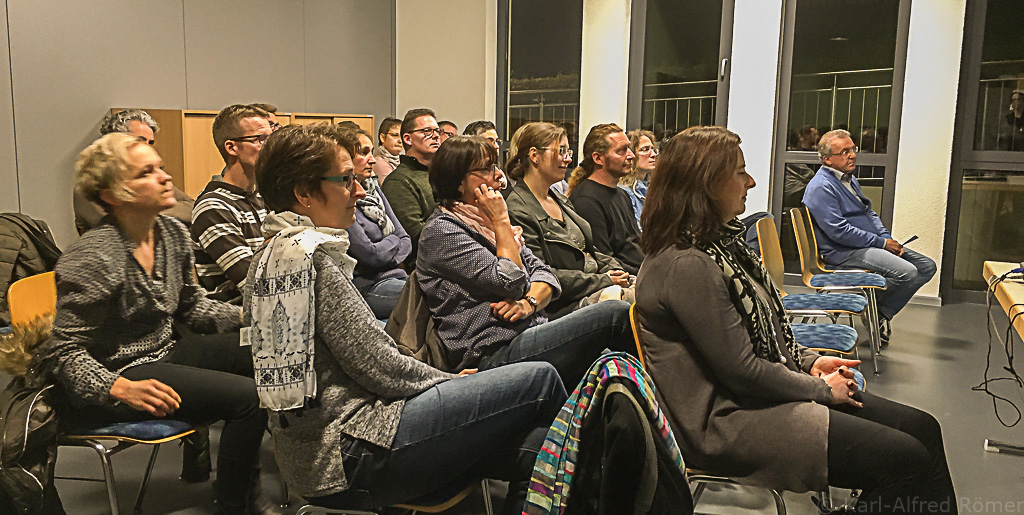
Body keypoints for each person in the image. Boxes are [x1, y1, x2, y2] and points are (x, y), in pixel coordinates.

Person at [244, 123, 566, 515]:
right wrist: (450, 381)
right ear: (304, 193)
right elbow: (381, 369)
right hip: (350, 449)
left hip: (323, 449)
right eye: (346, 180)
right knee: (541, 378)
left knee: (539, 447)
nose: (360, 191)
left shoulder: (275, 255)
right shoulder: (313, 263)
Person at [635, 125, 956, 514]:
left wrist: (810, 361)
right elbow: (743, 371)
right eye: (739, 172)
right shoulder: (685, 264)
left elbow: (765, 331)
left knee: (923, 429)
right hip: (728, 420)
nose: (750, 181)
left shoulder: (719, 246)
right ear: (705, 184)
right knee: (905, 460)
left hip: (757, 397)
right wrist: (821, 390)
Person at [43, 133, 267, 514]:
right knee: (248, 399)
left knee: (269, 353)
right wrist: (118, 387)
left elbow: (192, 309)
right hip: (118, 374)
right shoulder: (93, 257)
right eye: (146, 172)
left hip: (165, 351)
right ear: (113, 195)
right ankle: (234, 505)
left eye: (160, 166)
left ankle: (245, 490)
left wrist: (256, 320)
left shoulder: (172, 233)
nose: (165, 177)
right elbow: (62, 353)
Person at [416, 135, 633, 385]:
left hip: (531, 326)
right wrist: (501, 223)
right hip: (490, 350)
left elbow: (546, 276)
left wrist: (528, 304)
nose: (500, 176)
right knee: (616, 313)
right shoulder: (444, 231)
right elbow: (511, 282)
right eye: (487, 169)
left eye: (496, 166)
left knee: (613, 364)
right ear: (457, 182)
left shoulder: (485, 222)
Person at [802, 129, 936, 339]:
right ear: (827, 160)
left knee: (926, 266)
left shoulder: (848, 179)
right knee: (907, 272)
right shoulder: (821, 187)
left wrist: (886, 237)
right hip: (843, 251)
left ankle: (878, 311)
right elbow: (839, 231)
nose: (852, 155)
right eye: (844, 152)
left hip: (867, 244)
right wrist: (881, 243)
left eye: (852, 149)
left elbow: (868, 211)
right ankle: (874, 308)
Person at [504, 122, 634, 319]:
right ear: (534, 156)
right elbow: (541, 274)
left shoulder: (558, 199)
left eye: (568, 152)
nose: (566, 159)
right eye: (560, 151)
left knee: (652, 290)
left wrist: (616, 270)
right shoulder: (518, 210)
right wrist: (604, 280)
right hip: (562, 306)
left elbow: (590, 250)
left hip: (593, 287)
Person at [191, 104, 272, 302]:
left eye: (272, 138)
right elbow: (254, 285)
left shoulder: (264, 195)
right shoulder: (213, 207)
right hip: (237, 318)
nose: (270, 148)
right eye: (260, 139)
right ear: (231, 147)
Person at [75, 109, 194, 234]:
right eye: (140, 141)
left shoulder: (155, 176)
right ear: (115, 141)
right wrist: (151, 206)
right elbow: (119, 225)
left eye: (151, 142)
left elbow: (191, 208)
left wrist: (147, 207)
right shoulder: (94, 182)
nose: (147, 148)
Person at [343, 126, 411, 320]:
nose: (372, 159)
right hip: (366, 285)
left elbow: (405, 238)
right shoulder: (343, 197)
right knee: (434, 295)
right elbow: (369, 254)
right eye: (364, 153)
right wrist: (393, 241)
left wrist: (389, 245)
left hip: (395, 275)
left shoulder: (372, 188)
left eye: (372, 152)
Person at [566, 123, 643, 275]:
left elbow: (634, 244)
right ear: (598, 158)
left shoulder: (622, 195)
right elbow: (602, 259)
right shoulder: (586, 200)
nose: (631, 155)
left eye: (629, 148)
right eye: (621, 151)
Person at [380, 108, 441, 268]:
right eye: (427, 131)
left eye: (437, 131)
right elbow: (419, 235)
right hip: (427, 264)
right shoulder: (398, 182)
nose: (435, 136)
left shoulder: (443, 174)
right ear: (407, 138)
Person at [620, 129, 657, 230]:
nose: (653, 154)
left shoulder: (652, 188)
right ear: (630, 154)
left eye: (653, 149)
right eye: (645, 149)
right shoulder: (624, 192)